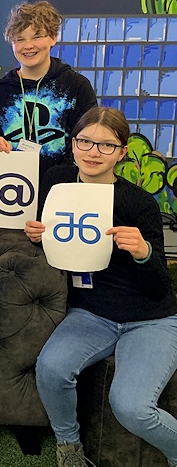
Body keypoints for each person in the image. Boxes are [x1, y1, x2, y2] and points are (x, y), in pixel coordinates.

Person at [24, 107, 177, 467]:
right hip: (90, 313)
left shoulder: (138, 202)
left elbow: (159, 287)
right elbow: (54, 240)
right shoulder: (57, 181)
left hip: (150, 319)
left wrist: (144, 252)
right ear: (73, 143)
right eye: (85, 141)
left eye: (106, 145)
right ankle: (69, 448)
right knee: (51, 368)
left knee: (132, 407)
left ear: (123, 152)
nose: (93, 152)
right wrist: (35, 237)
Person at [0, 1, 96, 181]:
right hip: (10, 186)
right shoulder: (0, 90)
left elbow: (87, 141)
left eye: (36, 37)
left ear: (53, 37)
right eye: (19, 39)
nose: (28, 46)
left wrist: (57, 179)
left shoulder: (77, 86)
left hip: (63, 187)